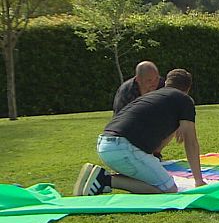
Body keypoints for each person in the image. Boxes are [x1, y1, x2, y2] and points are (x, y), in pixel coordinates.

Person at [75, 69, 205, 196]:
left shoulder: (154, 96)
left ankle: (98, 177)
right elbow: (191, 143)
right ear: (188, 89)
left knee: (151, 179)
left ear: (166, 83)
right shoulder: (184, 100)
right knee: (168, 189)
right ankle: (105, 180)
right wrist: (198, 180)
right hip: (124, 148)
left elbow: (155, 142)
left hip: (105, 145)